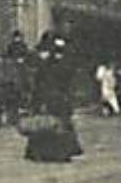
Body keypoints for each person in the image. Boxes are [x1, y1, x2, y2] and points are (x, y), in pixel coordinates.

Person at [24, 32, 84, 163]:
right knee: (55, 124)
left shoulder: (50, 61)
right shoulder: (58, 61)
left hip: (50, 96)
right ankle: (58, 152)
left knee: (49, 124)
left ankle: (45, 152)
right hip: (56, 96)